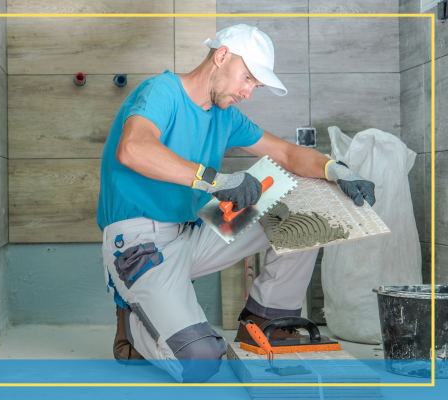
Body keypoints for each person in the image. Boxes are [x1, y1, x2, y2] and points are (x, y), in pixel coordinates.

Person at [96, 24, 375, 383]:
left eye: (254, 86)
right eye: (248, 79)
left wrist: (334, 170)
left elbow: (287, 153)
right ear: (221, 56)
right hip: (139, 244)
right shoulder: (161, 92)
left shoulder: (224, 114)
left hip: (191, 233)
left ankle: (264, 321)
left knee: (301, 195)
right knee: (201, 361)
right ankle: (132, 327)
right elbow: (133, 148)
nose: (247, 92)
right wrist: (219, 181)